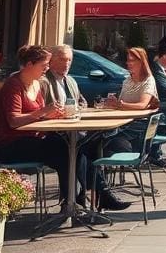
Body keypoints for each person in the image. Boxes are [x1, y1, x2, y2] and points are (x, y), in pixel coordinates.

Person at [43, 44, 130, 210]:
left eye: (69, 60)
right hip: (54, 135)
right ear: (51, 61)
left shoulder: (71, 81)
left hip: (72, 131)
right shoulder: (45, 82)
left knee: (91, 148)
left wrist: (78, 107)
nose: (67, 63)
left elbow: (81, 101)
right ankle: (87, 198)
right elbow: (44, 109)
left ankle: (85, 198)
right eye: (62, 59)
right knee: (81, 151)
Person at [0, 45, 75, 207]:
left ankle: (75, 200)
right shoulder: (14, 85)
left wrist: (49, 114)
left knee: (74, 146)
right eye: (44, 65)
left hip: (32, 139)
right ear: (30, 65)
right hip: (11, 145)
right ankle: (70, 202)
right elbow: (14, 120)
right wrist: (43, 112)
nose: (47, 68)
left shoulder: (36, 84)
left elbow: (38, 115)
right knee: (65, 151)